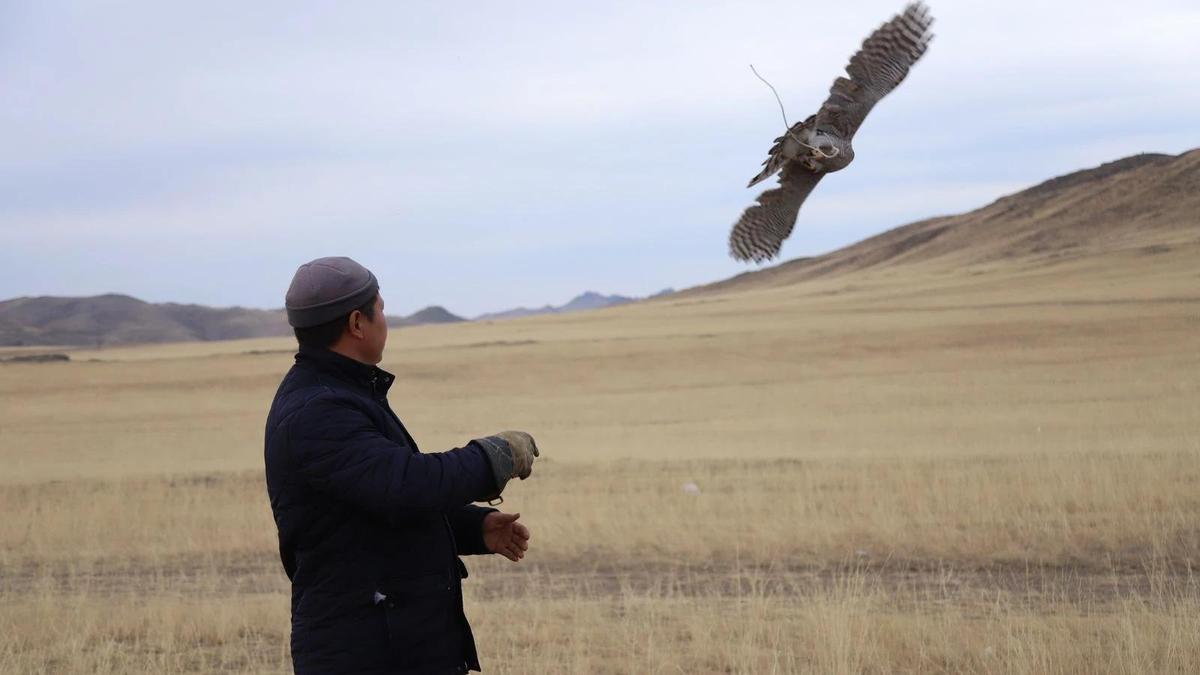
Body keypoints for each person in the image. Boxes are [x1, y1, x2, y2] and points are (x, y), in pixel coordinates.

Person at [264, 256, 540, 674]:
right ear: (358, 323)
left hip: (392, 642)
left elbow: (372, 504)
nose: (384, 323)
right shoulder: (319, 410)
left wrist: (473, 528)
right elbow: (404, 485)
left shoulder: (343, 393)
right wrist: (493, 457)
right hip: (365, 652)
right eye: (382, 311)